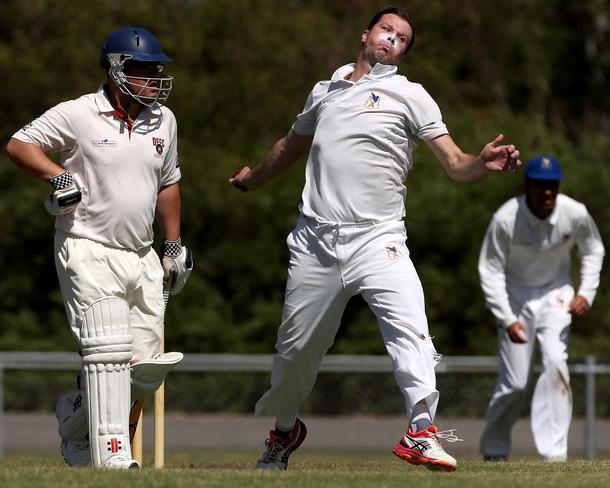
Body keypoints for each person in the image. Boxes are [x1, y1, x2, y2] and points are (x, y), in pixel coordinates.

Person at [230, 5, 520, 472]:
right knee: (294, 353)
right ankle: (284, 432)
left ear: (403, 52)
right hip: (316, 241)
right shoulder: (323, 92)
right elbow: (288, 147)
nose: (393, 40)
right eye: (387, 30)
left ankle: (421, 430)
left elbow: (454, 162)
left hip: (378, 238)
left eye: (403, 38)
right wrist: (251, 178)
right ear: (366, 34)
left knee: (412, 328)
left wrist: (480, 162)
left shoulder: (411, 95)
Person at [5, 27, 193, 469]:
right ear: (114, 69)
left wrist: (174, 243)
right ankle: (112, 455)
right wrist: (60, 177)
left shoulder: (164, 120)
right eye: (141, 68)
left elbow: (168, 184)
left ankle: (74, 420)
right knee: (109, 350)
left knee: (144, 371)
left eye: (156, 69)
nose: (152, 77)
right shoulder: (78, 113)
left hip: (142, 253)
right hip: (87, 246)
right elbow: (19, 146)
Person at [479, 156, 604, 462]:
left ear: (558, 187)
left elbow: (593, 250)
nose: (547, 193)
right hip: (516, 299)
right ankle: (494, 450)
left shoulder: (575, 213)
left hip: (556, 295)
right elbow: (490, 270)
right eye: (540, 186)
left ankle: (554, 453)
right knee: (515, 383)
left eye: (552, 186)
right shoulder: (506, 218)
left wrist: (586, 293)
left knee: (555, 362)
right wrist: (507, 318)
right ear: (528, 186)